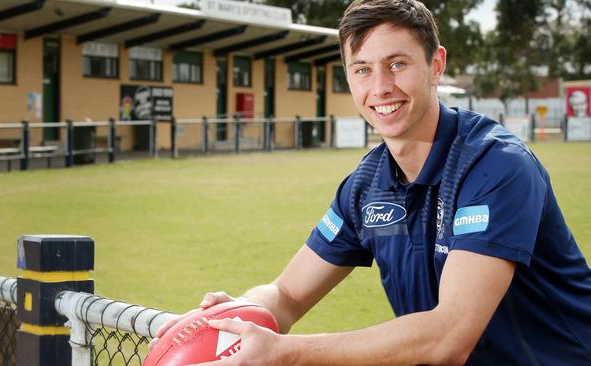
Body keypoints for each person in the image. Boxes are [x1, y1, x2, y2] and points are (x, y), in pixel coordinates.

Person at [152, 0, 591, 364]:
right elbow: (286, 293)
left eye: (396, 64)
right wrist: (238, 315)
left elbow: (450, 335)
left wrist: (288, 352)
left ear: (436, 64)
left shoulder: (497, 166)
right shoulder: (366, 185)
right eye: (361, 69)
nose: (380, 87)